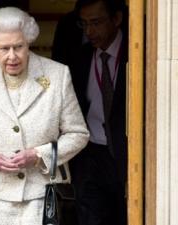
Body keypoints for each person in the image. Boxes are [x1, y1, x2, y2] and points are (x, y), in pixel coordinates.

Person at [0, 7, 90, 225]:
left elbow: (78, 133)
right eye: (4, 48)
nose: (12, 56)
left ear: (29, 42)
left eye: (19, 46)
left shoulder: (57, 74)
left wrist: (39, 155)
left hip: (42, 194)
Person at [68, 0, 128, 224]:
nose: (90, 31)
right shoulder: (79, 58)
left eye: (96, 22)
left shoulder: (138, 53)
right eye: (84, 24)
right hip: (90, 158)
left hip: (127, 157)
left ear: (117, 19)